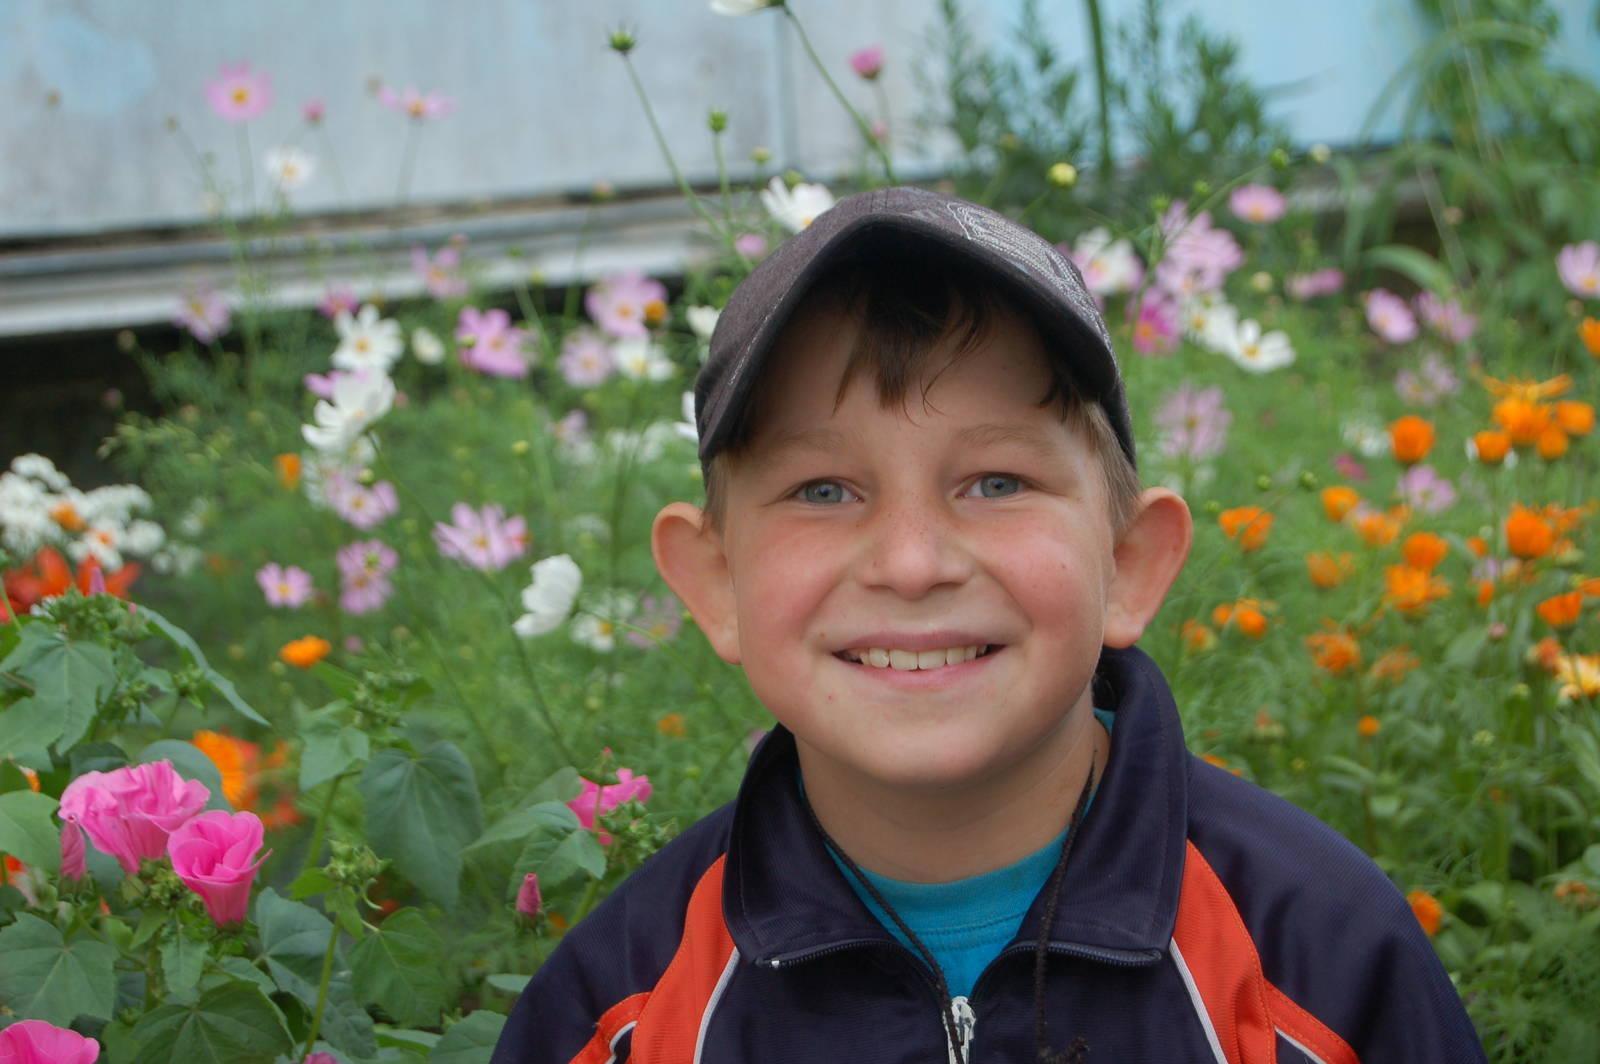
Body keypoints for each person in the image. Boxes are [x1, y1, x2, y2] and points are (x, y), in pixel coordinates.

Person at [491, 186, 1487, 1063]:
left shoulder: (1323, 963)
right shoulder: (618, 1013)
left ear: (1128, 564)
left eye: (997, 482)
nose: (912, 563)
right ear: (715, 585)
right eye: (823, 489)